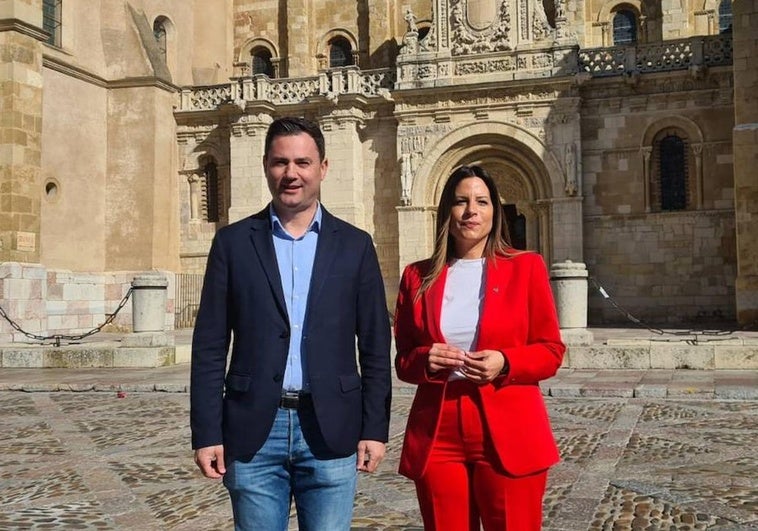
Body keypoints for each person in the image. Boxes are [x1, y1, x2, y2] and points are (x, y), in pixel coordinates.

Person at [190, 116, 392, 531]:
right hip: (252, 433)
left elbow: (374, 346)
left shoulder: (355, 246)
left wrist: (375, 428)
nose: (291, 173)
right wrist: (207, 432)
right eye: (281, 162)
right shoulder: (232, 243)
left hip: (332, 429)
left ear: (323, 167)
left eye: (303, 162)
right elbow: (209, 345)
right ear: (266, 165)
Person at [394, 165, 565, 530]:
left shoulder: (527, 267)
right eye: (461, 201)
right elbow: (404, 360)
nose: (471, 210)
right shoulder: (417, 276)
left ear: (494, 212)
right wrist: (426, 359)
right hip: (439, 429)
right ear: (447, 212)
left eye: (482, 201)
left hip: (509, 427)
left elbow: (551, 350)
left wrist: (505, 361)